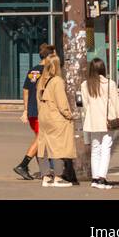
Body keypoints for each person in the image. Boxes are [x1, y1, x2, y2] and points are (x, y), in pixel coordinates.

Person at [13, 42, 55, 180]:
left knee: (41, 140)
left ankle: (45, 171)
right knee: (41, 138)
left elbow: (25, 90)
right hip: (41, 110)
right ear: (49, 57)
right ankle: (23, 164)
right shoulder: (47, 72)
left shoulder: (33, 71)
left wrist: (25, 110)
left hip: (31, 110)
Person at [80, 57, 119, 189]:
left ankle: (95, 178)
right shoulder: (110, 84)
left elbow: (84, 106)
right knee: (106, 148)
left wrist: (86, 119)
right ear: (103, 68)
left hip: (92, 120)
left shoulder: (85, 85)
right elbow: (116, 104)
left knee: (95, 148)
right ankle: (102, 178)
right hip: (107, 120)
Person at [36, 54, 76, 187]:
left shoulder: (41, 80)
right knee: (59, 145)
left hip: (43, 115)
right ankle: (58, 177)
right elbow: (61, 102)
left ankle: (46, 176)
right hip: (55, 116)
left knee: (43, 145)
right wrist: (69, 115)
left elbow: (38, 99)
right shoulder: (57, 81)